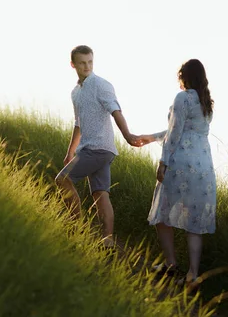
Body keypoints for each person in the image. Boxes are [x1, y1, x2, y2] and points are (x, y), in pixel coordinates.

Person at [55, 45, 142, 248]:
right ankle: (108, 240)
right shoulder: (75, 92)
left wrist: (128, 135)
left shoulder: (101, 85)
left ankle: (75, 229)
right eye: (82, 63)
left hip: (99, 148)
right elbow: (78, 123)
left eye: (90, 62)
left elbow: (115, 111)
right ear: (73, 64)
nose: (87, 66)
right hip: (91, 149)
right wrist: (70, 152)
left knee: (62, 180)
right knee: (100, 194)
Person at [139, 59, 216, 286]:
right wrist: (151, 137)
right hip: (203, 167)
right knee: (194, 223)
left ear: (184, 76)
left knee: (163, 213)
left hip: (180, 164)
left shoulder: (183, 97)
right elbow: (184, 129)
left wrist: (163, 162)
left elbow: (175, 134)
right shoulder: (207, 103)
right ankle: (192, 275)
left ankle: (171, 264)